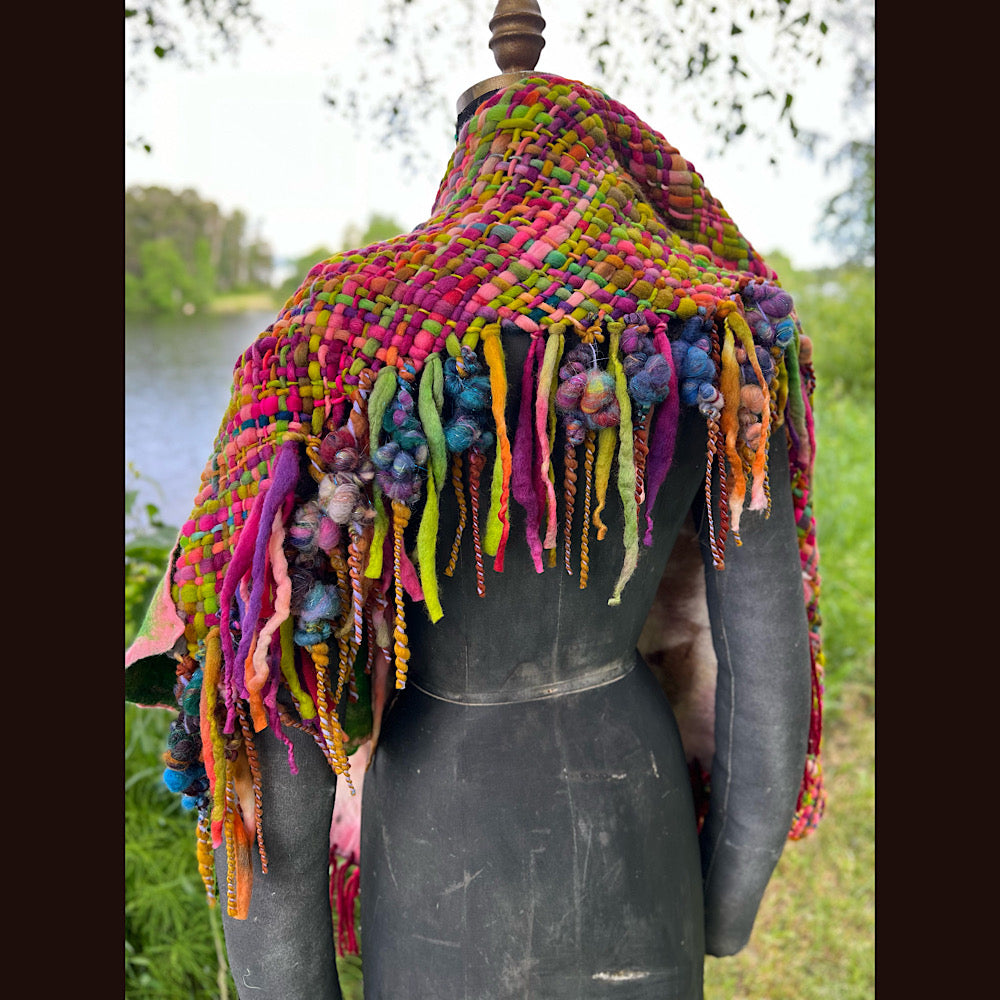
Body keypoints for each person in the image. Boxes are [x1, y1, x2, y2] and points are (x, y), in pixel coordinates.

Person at [126, 72, 824, 1000]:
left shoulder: (336, 343)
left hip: (438, 841)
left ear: (466, 160)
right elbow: (767, 676)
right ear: (606, 159)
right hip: (634, 822)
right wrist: (727, 907)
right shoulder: (713, 338)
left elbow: (269, 705)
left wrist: (282, 981)